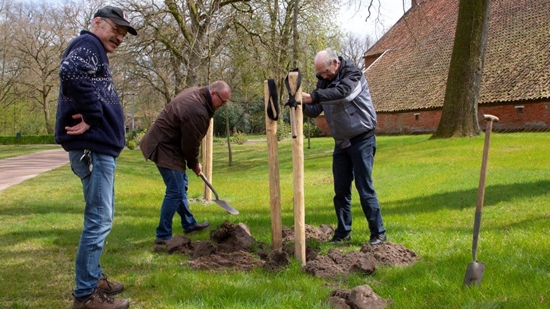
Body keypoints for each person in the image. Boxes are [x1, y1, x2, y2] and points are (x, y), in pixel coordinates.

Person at [55, 6, 137, 309]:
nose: (119, 37)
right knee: (99, 219)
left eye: (123, 33)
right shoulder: (88, 44)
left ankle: (93, 275)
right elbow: (71, 73)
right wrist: (92, 115)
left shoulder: (93, 49)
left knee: (102, 216)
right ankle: (86, 296)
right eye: (115, 29)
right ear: (97, 23)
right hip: (94, 148)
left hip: (98, 148)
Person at [301, 48, 387, 246]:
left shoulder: (353, 74)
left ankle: (378, 233)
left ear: (335, 63)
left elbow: (343, 95)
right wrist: (302, 104)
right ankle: (343, 233)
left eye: (325, 72)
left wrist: (313, 96)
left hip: (361, 139)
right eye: (319, 74)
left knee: (364, 187)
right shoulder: (325, 80)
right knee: (340, 190)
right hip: (341, 142)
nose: (323, 77)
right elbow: (316, 109)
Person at [140, 81, 231, 244]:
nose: (223, 105)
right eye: (223, 101)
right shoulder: (196, 109)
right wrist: (194, 164)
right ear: (213, 94)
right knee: (175, 190)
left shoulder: (197, 93)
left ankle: (189, 224)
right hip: (163, 146)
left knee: (180, 186)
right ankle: (163, 235)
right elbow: (190, 144)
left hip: (169, 144)